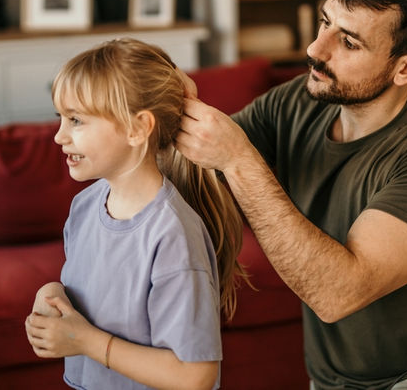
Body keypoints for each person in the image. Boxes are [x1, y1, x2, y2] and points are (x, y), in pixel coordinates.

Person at [175, 0, 407, 390]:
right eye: (325, 22)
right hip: (328, 381)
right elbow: (190, 172)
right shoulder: (298, 100)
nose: (314, 49)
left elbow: (337, 293)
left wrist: (237, 159)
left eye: (348, 41)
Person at [24, 38, 245, 390]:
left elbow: (195, 376)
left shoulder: (172, 235)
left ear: (137, 128)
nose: (59, 136)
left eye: (76, 120)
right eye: (61, 118)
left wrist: (85, 341)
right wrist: (52, 294)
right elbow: (93, 295)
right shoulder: (84, 207)